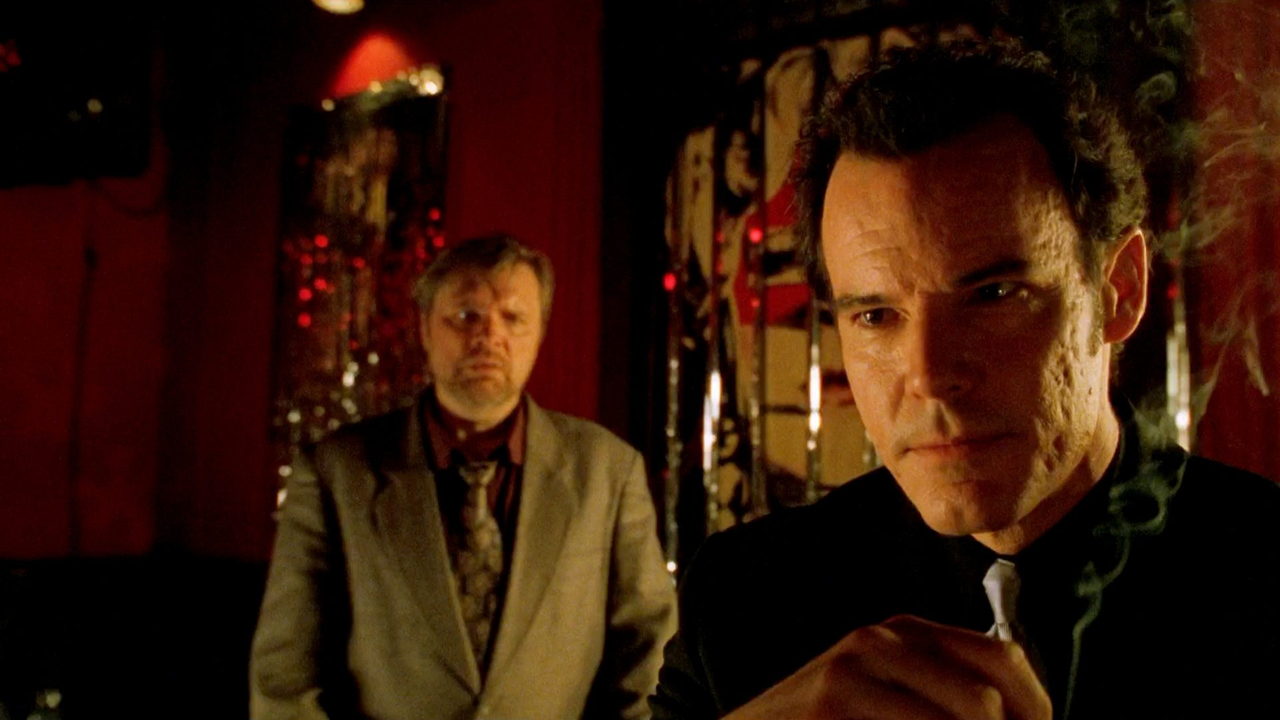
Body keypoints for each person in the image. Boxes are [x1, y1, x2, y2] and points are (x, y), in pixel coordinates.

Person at [650, 43, 1280, 720]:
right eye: (876, 315)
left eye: (993, 294)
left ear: (1118, 290)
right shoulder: (747, 600)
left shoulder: (1267, 574)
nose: (928, 375)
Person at [251, 234, 676, 720]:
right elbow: (285, 680)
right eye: (467, 315)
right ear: (425, 327)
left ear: (539, 333)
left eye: (513, 318)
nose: (489, 337)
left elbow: (649, 661)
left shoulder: (608, 473)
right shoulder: (337, 473)